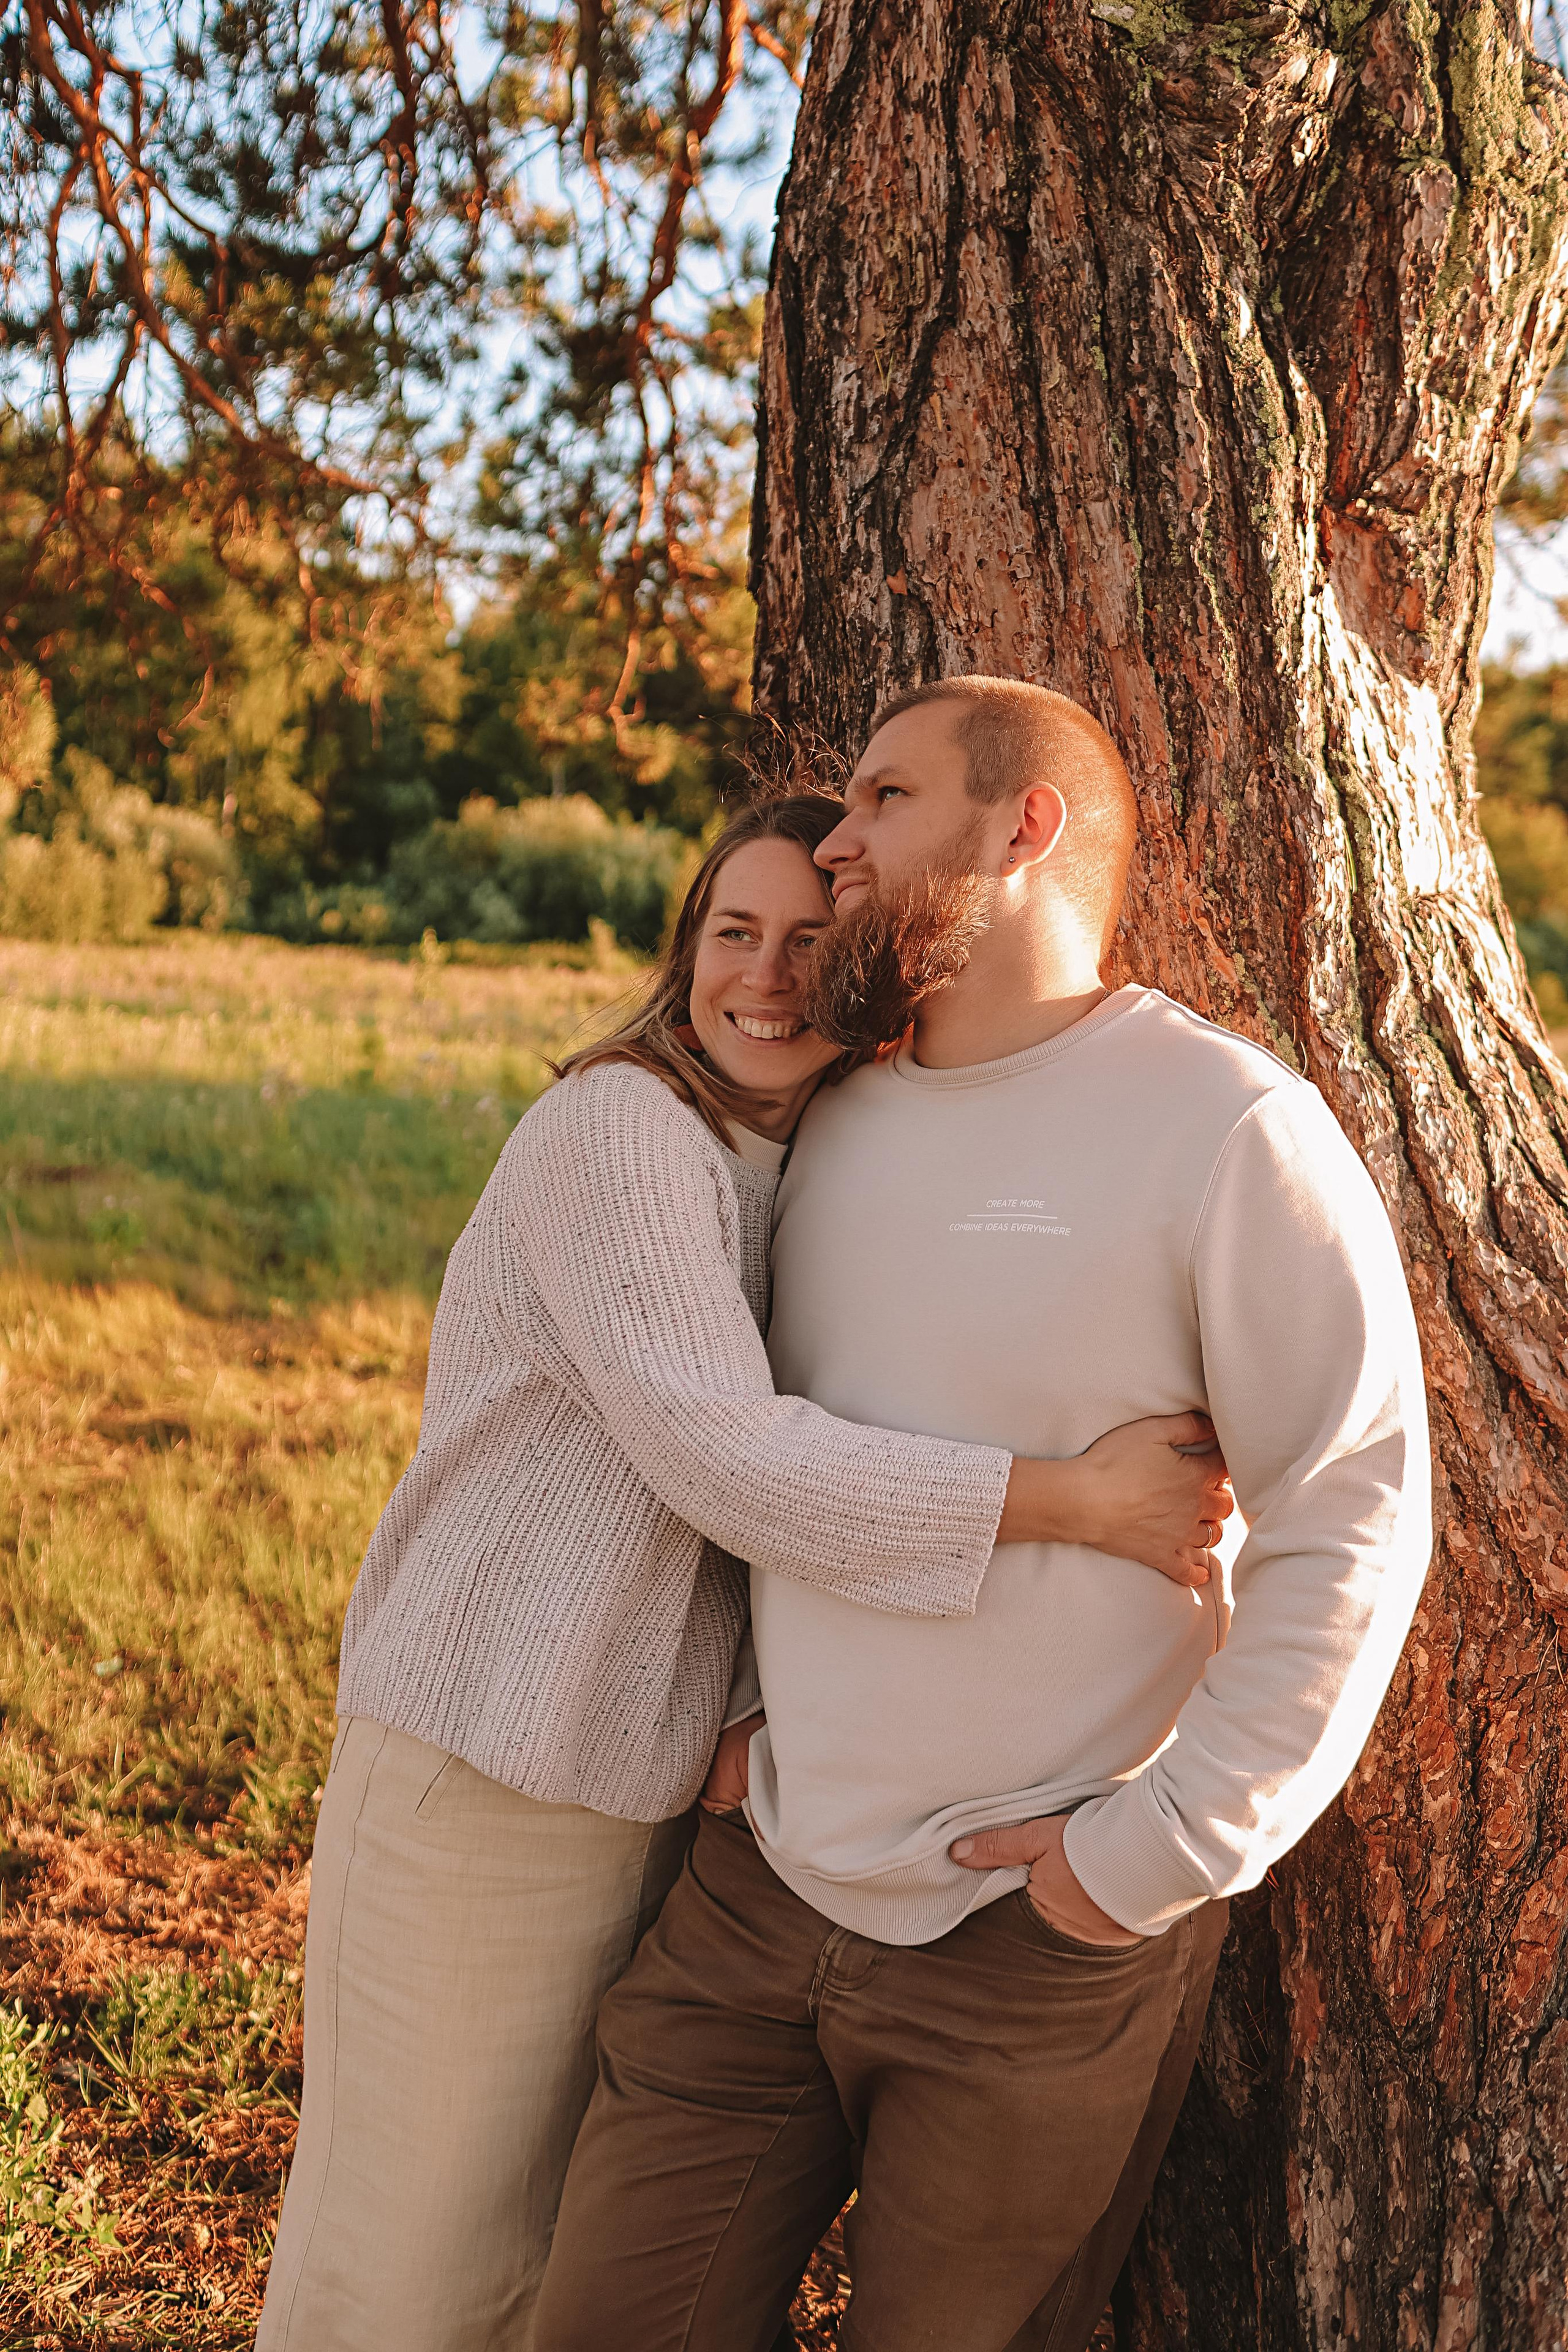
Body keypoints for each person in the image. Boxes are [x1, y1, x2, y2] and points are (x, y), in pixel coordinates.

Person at [255, 787, 1234, 2352]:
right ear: (681, 952)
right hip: (488, 1759)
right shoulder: (620, 1132)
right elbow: (728, 1458)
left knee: (531, 2253)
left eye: (812, 937)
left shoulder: (817, 1156)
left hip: (642, 1787)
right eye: (733, 934)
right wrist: (1075, 1501)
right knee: (415, 2257)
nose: (767, 978)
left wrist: (750, 1695)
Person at [534, 679, 1433, 2352]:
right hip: (758, 1896)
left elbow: (1354, 1515)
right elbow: (760, 1441)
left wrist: (1143, 1859)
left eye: (882, 799)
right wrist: (741, 1720)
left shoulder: (1229, 1128)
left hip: (1032, 1943)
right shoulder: (835, 1115)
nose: (838, 840)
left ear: (1024, 828)